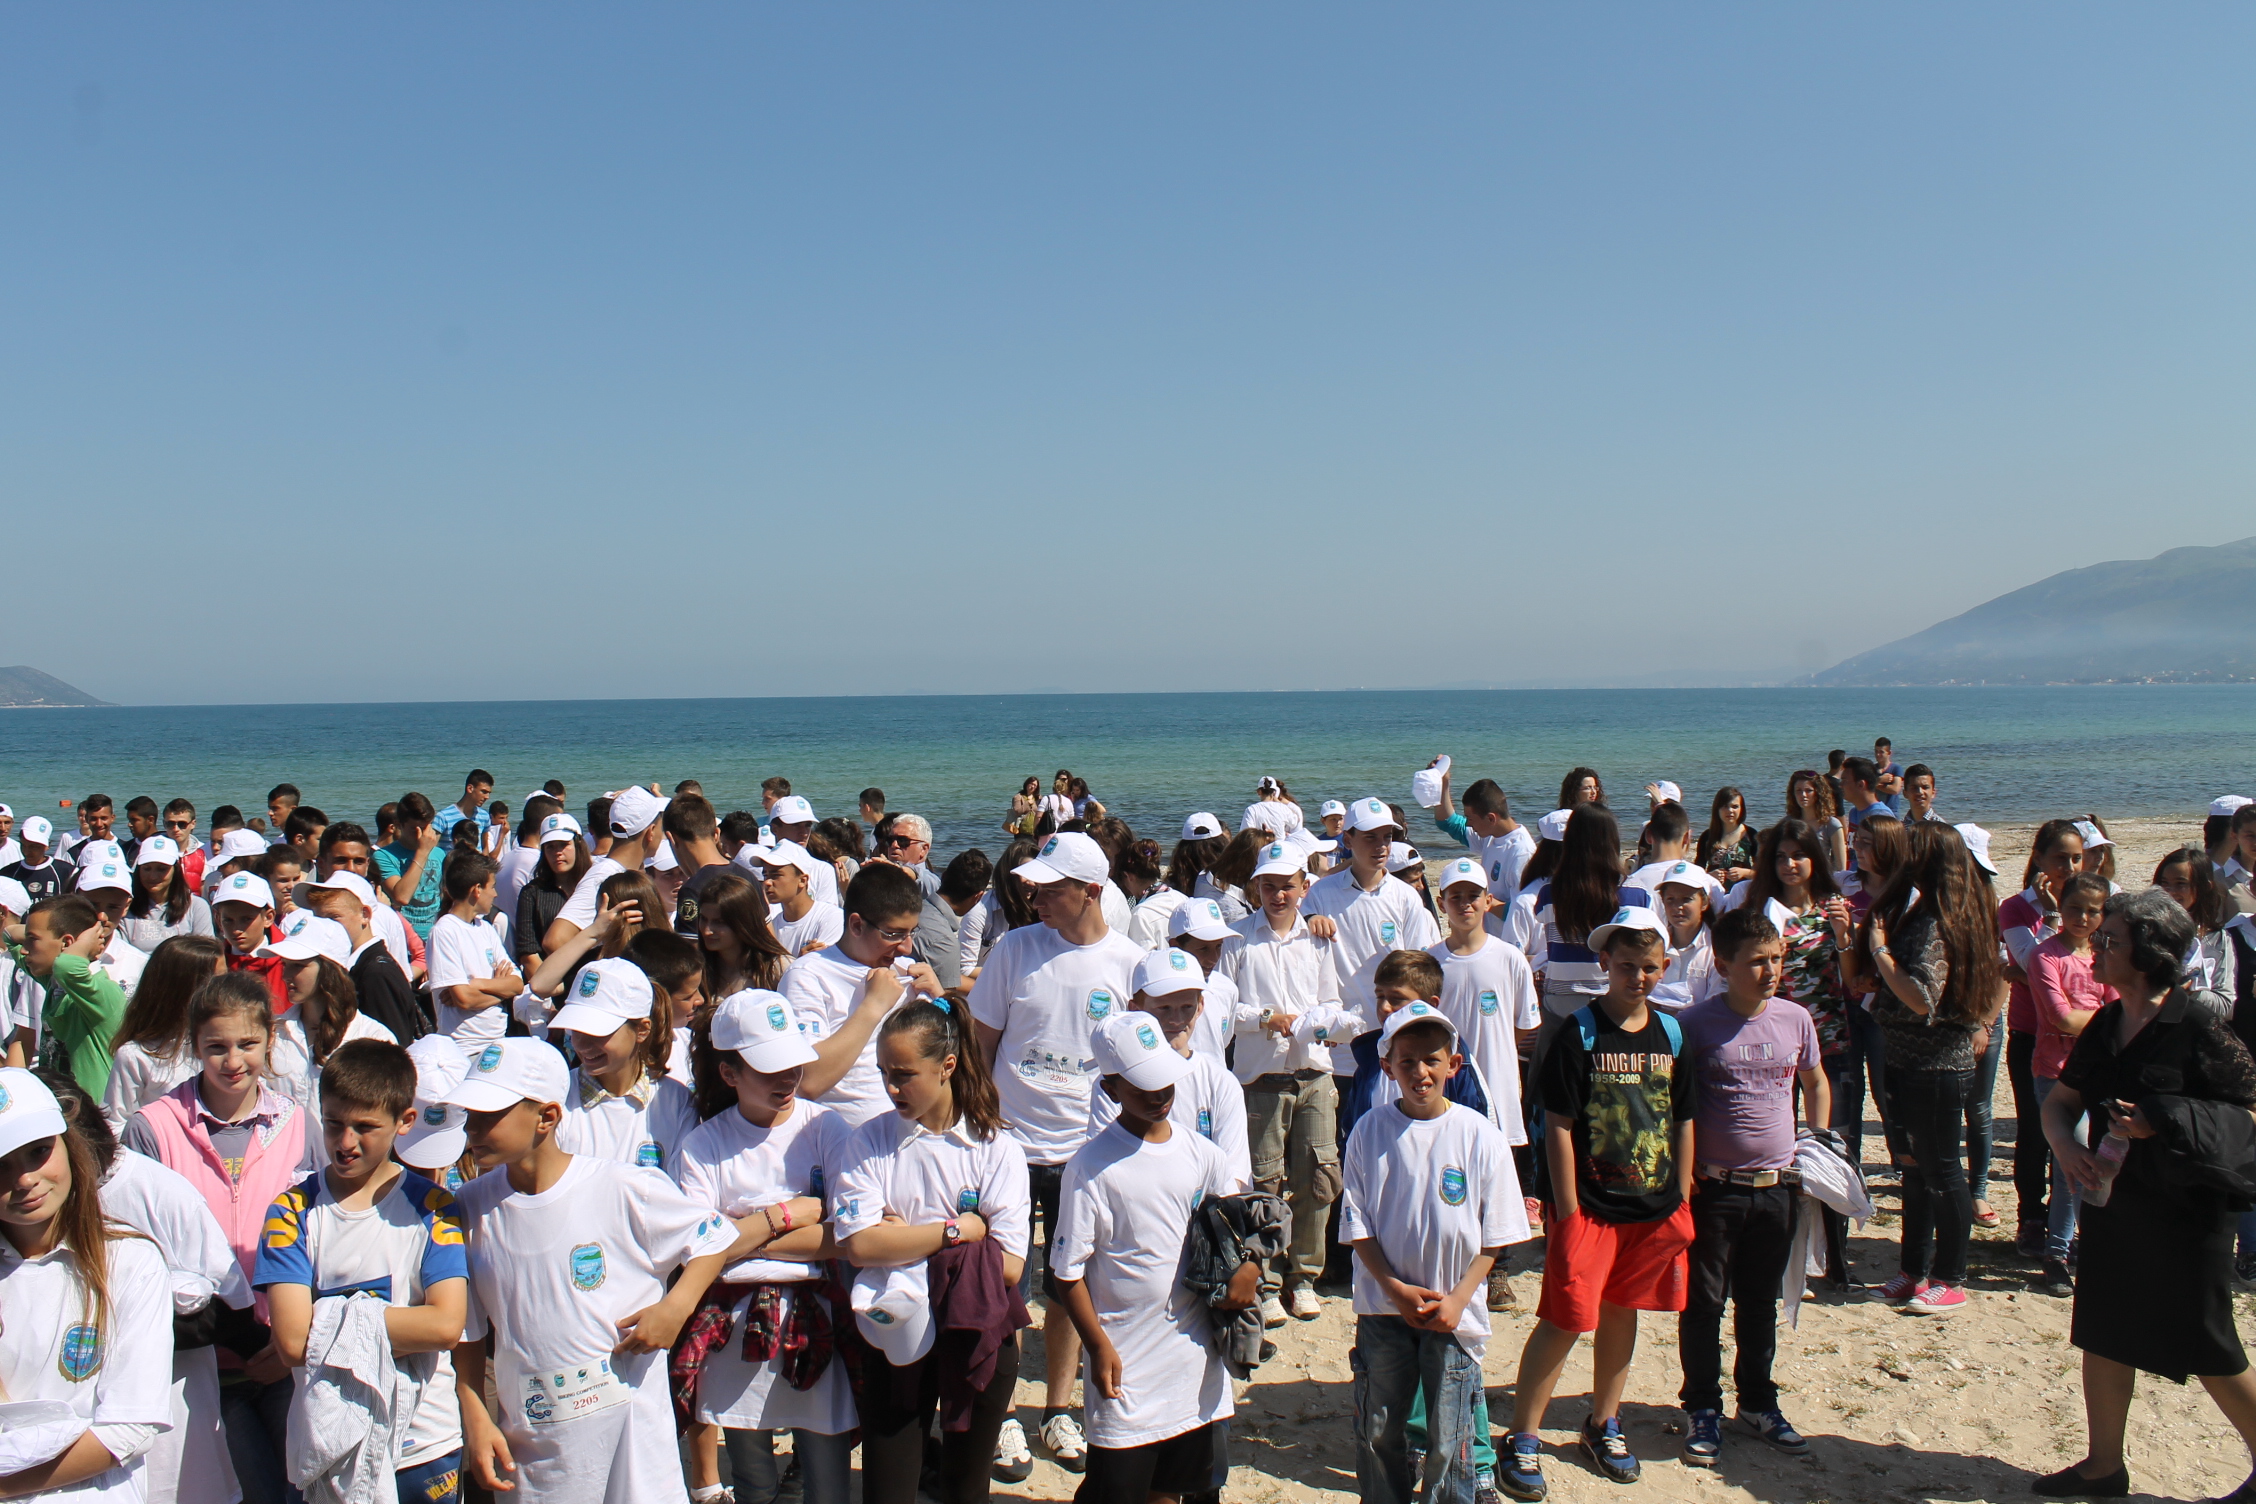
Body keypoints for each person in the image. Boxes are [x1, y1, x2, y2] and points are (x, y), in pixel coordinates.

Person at [446, 1038, 736, 1504]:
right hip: (537, 1446)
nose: (473, 1128)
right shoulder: (468, 1208)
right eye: (469, 1114)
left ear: (546, 1117)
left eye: (490, 1115)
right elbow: (468, 1330)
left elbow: (714, 1237)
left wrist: (675, 1308)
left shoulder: (623, 1186)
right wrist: (474, 1412)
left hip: (633, 1436)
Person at [2036, 889, 2256, 1499]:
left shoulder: (2199, 1024)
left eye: (2110, 940)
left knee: (2208, 1344)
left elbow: (2248, 1114)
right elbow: (2060, 1102)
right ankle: (2103, 1466)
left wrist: (2164, 1117)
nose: (2095, 948)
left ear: (2151, 954)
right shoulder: (2106, 1023)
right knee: (2103, 1331)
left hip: (2188, 1211)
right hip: (2115, 1202)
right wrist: (2065, 1147)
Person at [1501, 907, 1694, 1502]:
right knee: (1564, 1319)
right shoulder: (1579, 1031)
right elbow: (1557, 1124)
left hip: (1651, 1205)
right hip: (1588, 1206)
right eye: (1628, 966)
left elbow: (1682, 1117)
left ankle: (1603, 1422)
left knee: (1621, 1312)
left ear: (1664, 968)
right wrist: (1566, 1208)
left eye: (1649, 967)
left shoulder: (1671, 1033)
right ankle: (1522, 1435)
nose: (1638, 977)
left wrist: (1683, 1195)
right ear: (1605, 963)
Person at [966, 832, 1143, 1471]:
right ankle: (1001, 1412)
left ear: (1091, 891)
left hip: (1088, 1151)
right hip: (1010, 1146)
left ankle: (1059, 1409)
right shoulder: (1014, 949)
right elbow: (981, 1044)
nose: (1033, 897)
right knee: (1001, 1282)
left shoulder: (1130, 963)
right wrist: (978, 1127)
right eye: (1031, 887)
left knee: (1071, 1283)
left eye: (1049, 888)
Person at [124, 972, 316, 1504]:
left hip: (284, 1357)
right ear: (194, 1045)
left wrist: (293, 1343)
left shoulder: (298, 1124)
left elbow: (322, 1235)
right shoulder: (151, 1128)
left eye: (248, 1044)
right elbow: (134, 1245)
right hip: (197, 1364)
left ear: (270, 1040)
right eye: (216, 1047)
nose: (234, 1061)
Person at [832, 1001, 1031, 1504]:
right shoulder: (869, 1141)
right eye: (884, 1073)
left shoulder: (996, 1146)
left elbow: (1009, 1267)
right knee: (888, 1488)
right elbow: (860, 1245)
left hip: (976, 1329)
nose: (891, 1088)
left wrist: (902, 1242)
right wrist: (957, 1232)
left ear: (947, 1066)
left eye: (904, 1075)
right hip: (896, 1329)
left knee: (966, 1489)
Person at [254, 1038, 469, 1502]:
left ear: (404, 1121)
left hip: (422, 1445)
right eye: (334, 1123)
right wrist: (402, 1324)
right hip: (328, 1448)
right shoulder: (290, 1213)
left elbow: (446, 1325)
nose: (346, 1142)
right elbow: (291, 1342)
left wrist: (328, 1319)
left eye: (365, 1127)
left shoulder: (435, 1208)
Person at [1055, 1011, 1253, 1504]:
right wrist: (1097, 1346)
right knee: (1118, 1488)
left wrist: (1249, 1268)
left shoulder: (1203, 1155)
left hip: (1192, 1366)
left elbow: (1235, 1231)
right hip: (1127, 1371)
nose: (1160, 1093)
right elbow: (1067, 1274)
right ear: (1110, 1088)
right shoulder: (1090, 1169)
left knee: (1170, 1490)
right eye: (1143, 1085)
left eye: (1165, 1079)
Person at [670, 989, 857, 1504]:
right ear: (729, 1073)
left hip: (814, 1316)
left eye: (793, 1063)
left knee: (828, 1481)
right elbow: (696, 1249)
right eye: (769, 1068)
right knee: (754, 1479)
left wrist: (743, 1234)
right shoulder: (704, 1145)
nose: (788, 1078)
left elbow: (847, 1236)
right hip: (734, 1327)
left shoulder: (824, 1127)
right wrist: (789, 1213)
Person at [1346, 1003, 1527, 1504]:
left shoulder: (1479, 1135)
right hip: (1384, 1310)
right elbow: (1358, 1226)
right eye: (1407, 1061)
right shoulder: (1369, 1131)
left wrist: (1460, 1298)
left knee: (1451, 1439)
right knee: (1379, 1427)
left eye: (1431, 1059)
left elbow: (1496, 1234)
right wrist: (1395, 1289)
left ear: (1454, 1064)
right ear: (1388, 1067)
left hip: (1453, 1315)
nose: (1420, 1072)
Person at [1675, 906, 1829, 1467]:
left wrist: (1816, 1143)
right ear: (1723, 965)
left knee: (1761, 1302)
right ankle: (1702, 1406)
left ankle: (1758, 1402)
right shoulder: (1694, 1025)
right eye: (1757, 961)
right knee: (1704, 1303)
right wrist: (1684, 1171)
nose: (1770, 971)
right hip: (1715, 1188)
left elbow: (1815, 1081)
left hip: (1778, 1187)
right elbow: (1676, 1104)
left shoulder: (1795, 1018)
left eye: (1777, 959)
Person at [0, 1066, 175, 1500]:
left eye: (39, 1151)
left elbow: (129, 1428)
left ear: (69, 1144)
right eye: (0, 1165)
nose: (24, 1179)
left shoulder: (131, 1261)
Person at [1863, 824, 2004, 1316]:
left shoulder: (1942, 919)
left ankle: (1951, 1277)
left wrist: (1879, 949)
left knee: (1942, 1171)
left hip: (1937, 1063)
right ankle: (1914, 1271)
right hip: (1907, 1058)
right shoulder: (1927, 909)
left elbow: (1922, 997)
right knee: (1914, 1169)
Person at [1215, 839, 1349, 1327]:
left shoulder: (1318, 937)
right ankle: (1267, 1278)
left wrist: (1316, 1025)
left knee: (1318, 1176)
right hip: (1261, 1075)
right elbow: (1224, 1007)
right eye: (1268, 886)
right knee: (1264, 1179)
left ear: (1303, 887)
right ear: (1255, 888)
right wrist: (1266, 1019)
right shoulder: (1236, 939)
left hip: (1313, 1070)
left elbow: (1332, 1001)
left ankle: (1304, 1276)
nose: (1277, 895)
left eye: (1286, 886)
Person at [779, 863, 944, 1129]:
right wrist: (873, 1007)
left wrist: (941, 1000)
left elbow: (946, 1058)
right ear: (856, 925)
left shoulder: (907, 970)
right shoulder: (808, 975)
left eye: (911, 932)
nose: (906, 947)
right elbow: (807, 1082)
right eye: (894, 934)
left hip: (911, 1135)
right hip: (843, 1138)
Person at [1084, 947, 1252, 1185]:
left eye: (1187, 1007)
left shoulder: (1221, 1082)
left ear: (1200, 1007)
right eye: (1163, 1008)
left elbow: (1234, 1176)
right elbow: (1104, 1166)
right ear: (1135, 1009)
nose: (1176, 1020)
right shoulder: (1116, 1082)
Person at [2025, 871, 2115, 1297]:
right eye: (2075, 908)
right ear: (2061, 906)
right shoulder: (2045, 955)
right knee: (2071, 1166)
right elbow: (2060, 1017)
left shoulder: (2104, 955)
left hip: (2102, 1071)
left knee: (2101, 1160)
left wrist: (2099, 1021)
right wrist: (2107, 1021)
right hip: (2056, 1070)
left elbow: (2118, 1007)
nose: (2082, 917)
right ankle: (2057, 1253)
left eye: (2093, 910)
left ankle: (2082, 1242)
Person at [2001, 818, 2085, 1259]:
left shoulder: (2089, 903)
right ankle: (2032, 1217)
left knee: (2079, 1131)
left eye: (2077, 858)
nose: (2069, 868)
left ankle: (2065, 1222)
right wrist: (2052, 916)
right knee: (2034, 1130)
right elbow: (2034, 963)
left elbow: (2095, 966)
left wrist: (2025, 973)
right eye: (2060, 858)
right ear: (2038, 859)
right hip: (2031, 1031)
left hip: (2081, 1035)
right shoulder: (2017, 908)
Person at [548, 955, 700, 1169]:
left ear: (642, 1030)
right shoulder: (553, 1097)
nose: (582, 1044)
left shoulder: (678, 1103)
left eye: (598, 1031)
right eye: (575, 1029)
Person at [102, 933, 227, 1127]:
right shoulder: (137, 1055)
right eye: (216, 983)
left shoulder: (234, 1045)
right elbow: (116, 1123)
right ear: (183, 989)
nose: (226, 990)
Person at [17, 894, 128, 1098]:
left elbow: (66, 966)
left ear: (67, 943)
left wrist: (88, 937)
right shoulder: (55, 983)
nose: (24, 950)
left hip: (93, 1114)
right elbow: (8, 936)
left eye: (32, 940)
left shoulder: (102, 992)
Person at [303, 867, 426, 1047]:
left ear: (365, 915)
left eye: (333, 918)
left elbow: (389, 1047)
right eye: (318, 919)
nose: (325, 926)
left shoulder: (376, 974)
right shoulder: (360, 967)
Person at [545, 785, 670, 955]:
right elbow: (555, 940)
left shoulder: (625, 870)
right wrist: (605, 961)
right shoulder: (603, 875)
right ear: (651, 832)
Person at [428, 849, 523, 1059]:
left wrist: (476, 984)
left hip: (499, 1041)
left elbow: (517, 984)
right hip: (465, 1048)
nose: (495, 894)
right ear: (477, 890)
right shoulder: (445, 931)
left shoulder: (485, 928)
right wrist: (501, 990)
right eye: (493, 887)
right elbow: (464, 999)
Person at [1425, 763, 1537, 918]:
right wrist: (1443, 782)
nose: (1468, 824)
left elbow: (1523, 912)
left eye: (1470, 819)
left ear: (1491, 818)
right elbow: (1447, 822)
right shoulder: (1491, 835)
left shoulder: (1522, 853)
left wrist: (1483, 902)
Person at [517, 812, 590, 968]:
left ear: (578, 845)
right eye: (550, 847)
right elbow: (528, 952)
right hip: (551, 976)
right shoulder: (532, 893)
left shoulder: (594, 885)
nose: (557, 852)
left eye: (564, 844)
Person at [119, 834, 215, 951]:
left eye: (162, 869)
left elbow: (206, 954)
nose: (153, 876)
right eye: (147, 868)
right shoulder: (126, 908)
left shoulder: (197, 907)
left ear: (176, 870)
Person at [375, 793, 446, 944]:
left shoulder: (439, 854)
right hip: (403, 938)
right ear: (399, 825)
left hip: (434, 935)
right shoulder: (384, 856)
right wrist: (422, 852)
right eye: (415, 829)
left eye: (426, 828)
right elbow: (401, 897)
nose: (422, 835)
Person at [916, 849, 990, 994]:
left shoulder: (915, 908)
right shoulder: (945, 941)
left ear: (943, 876)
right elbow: (945, 993)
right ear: (978, 896)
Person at [753, 841, 845, 957]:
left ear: (802, 880)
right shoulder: (771, 927)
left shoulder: (833, 918)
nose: (767, 882)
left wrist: (801, 962)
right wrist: (801, 960)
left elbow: (826, 966)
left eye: (776, 875)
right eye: (765, 875)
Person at [1783, 771, 1847, 877]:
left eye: (1808, 790)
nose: (1803, 795)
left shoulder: (1831, 824)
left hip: (1822, 880)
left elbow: (1841, 868)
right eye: (1798, 790)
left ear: (1818, 793)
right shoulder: (1787, 823)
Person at [3, 814, 77, 905]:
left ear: (47, 846)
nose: (26, 851)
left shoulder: (67, 872)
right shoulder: (7, 873)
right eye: (23, 845)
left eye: (34, 847)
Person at [1695, 788, 1756, 890]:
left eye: (1735, 807)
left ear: (1742, 809)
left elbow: (1763, 872)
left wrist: (1744, 872)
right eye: (1725, 806)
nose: (1730, 811)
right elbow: (1697, 871)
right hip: (1714, 892)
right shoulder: (1707, 836)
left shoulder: (1751, 835)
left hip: (1742, 892)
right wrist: (1709, 876)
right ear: (1717, 809)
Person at [430, 768, 494, 846]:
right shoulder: (443, 817)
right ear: (470, 788)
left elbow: (485, 848)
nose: (487, 797)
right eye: (483, 792)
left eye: (489, 793)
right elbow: (431, 849)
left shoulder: (484, 816)